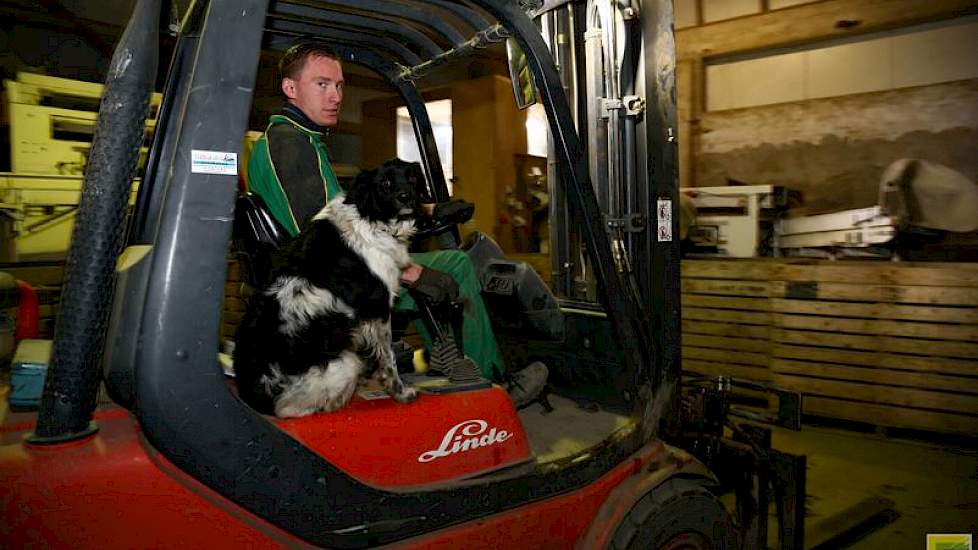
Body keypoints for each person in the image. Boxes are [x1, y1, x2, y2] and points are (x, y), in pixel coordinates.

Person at [246, 42, 547, 407]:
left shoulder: (288, 139)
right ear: (290, 89)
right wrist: (415, 274)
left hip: (318, 283)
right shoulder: (294, 148)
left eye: (339, 86)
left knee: (422, 262)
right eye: (322, 84)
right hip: (329, 291)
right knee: (456, 264)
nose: (335, 96)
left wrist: (428, 211)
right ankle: (491, 385)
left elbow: (355, 217)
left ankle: (446, 358)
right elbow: (329, 247)